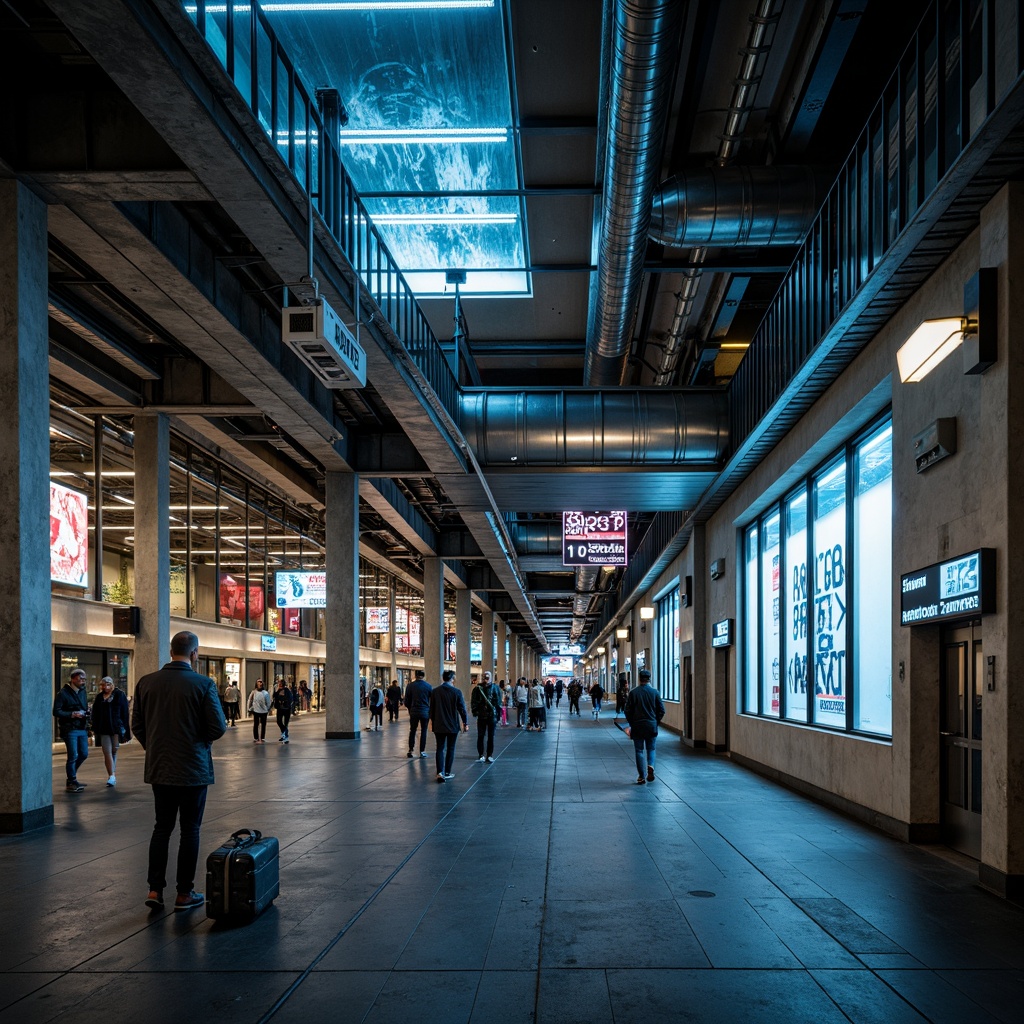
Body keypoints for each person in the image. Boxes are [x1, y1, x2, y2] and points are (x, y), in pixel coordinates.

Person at [132, 630, 226, 912]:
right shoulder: (203, 684)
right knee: (190, 829)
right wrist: (199, 742)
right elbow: (218, 727)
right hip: (192, 769)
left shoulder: (146, 682)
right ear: (194, 654)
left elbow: (136, 725)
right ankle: (184, 893)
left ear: (171, 651)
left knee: (162, 828)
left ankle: (154, 890)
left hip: (160, 768)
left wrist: (156, 747)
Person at [624, 668, 665, 785]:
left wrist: (631, 723)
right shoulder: (655, 692)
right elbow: (661, 710)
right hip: (651, 725)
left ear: (639, 679)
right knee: (651, 748)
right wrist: (656, 721)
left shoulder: (633, 693)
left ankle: (641, 776)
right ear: (649, 679)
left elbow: (627, 711)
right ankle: (650, 766)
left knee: (639, 750)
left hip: (637, 725)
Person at [53, 668, 91, 792]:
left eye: (84, 679)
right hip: (69, 728)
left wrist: (86, 713)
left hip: (81, 726)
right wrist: (72, 714)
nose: (83, 682)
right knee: (73, 755)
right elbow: (56, 711)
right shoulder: (63, 693)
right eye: (81, 679)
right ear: (73, 679)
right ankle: (72, 781)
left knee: (84, 754)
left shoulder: (82, 691)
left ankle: (71, 778)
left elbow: (84, 706)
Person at [91, 676, 130, 786]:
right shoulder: (99, 697)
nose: (106, 687)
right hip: (103, 728)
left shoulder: (119, 695)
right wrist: (94, 727)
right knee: (107, 751)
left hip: (116, 727)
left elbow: (124, 712)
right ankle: (111, 775)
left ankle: (112, 774)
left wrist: (126, 729)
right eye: (103, 685)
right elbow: (95, 713)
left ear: (112, 684)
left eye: (108, 684)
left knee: (114, 750)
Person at [429, 669, 467, 781]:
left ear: (443, 678)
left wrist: (431, 722)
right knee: (450, 748)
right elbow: (462, 709)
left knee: (440, 748)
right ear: (452, 679)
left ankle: (439, 772)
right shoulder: (457, 692)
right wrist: (465, 723)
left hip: (439, 725)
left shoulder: (435, 692)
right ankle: (447, 772)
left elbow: (432, 709)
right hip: (452, 725)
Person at [471, 670, 500, 762]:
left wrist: (497, 714)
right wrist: (475, 711)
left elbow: (498, 701)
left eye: (488, 677)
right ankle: (480, 754)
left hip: (491, 715)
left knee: (491, 736)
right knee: (481, 735)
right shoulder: (478, 688)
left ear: (491, 677)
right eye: (484, 677)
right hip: (481, 715)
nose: (486, 679)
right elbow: (474, 701)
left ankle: (489, 754)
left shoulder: (495, 688)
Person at [404, 669, 433, 758]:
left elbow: (406, 701)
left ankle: (411, 750)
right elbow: (432, 700)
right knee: (424, 731)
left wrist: (410, 709)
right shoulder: (428, 686)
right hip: (425, 711)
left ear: (415, 676)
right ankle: (422, 751)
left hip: (414, 711)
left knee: (412, 730)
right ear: (423, 676)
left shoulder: (410, 686)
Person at [273, 678, 294, 743]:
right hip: (280, 708)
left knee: (286, 723)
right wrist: (277, 691)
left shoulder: (287, 691)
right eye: (279, 684)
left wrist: (285, 703)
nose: (279, 685)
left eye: (280, 684)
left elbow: (290, 699)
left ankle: (285, 736)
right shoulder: (278, 691)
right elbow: (274, 696)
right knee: (279, 721)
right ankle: (284, 733)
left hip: (286, 709)